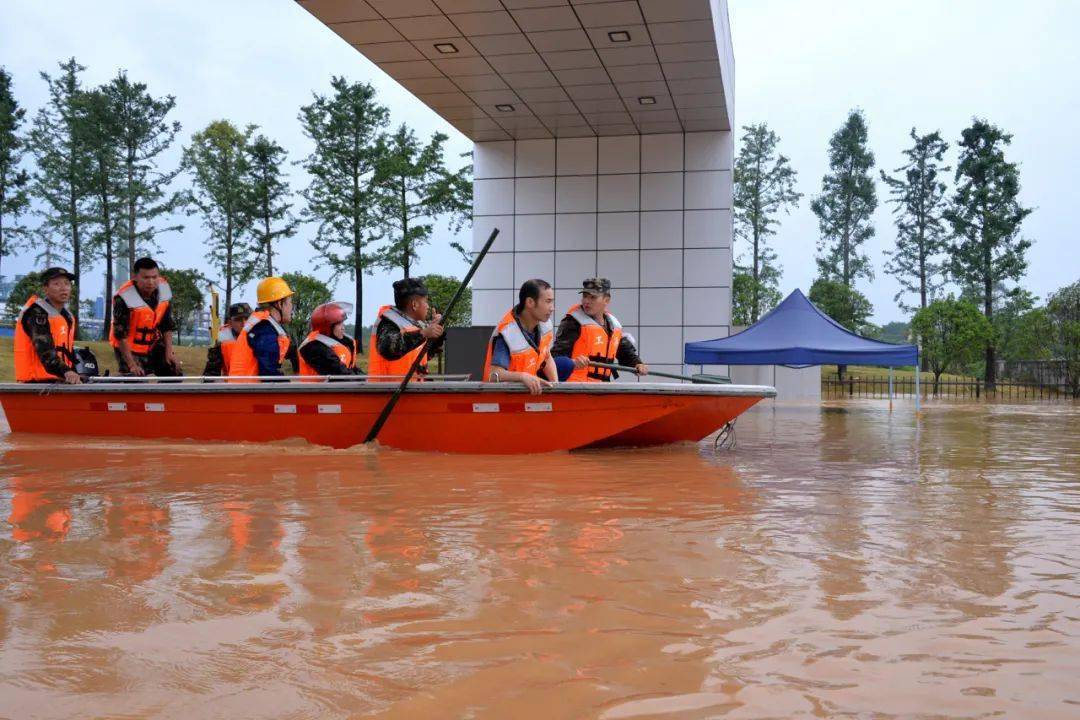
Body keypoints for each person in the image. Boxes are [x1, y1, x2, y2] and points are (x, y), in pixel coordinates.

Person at [552, 277, 649, 382]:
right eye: (585, 296)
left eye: (593, 297)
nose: (586, 301)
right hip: (576, 389)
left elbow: (625, 352)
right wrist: (572, 362)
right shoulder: (573, 323)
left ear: (606, 300)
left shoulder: (614, 325)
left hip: (602, 388)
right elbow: (556, 357)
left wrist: (638, 364)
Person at [482, 278, 558, 395]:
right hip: (503, 401)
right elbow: (494, 375)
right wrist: (522, 377)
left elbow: (547, 357)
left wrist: (556, 387)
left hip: (527, 397)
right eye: (548, 302)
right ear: (530, 302)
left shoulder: (545, 325)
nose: (552, 308)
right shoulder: (507, 332)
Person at [109, 257, 181, 377]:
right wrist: (132, 364)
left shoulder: (164, 290)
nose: (151, 282)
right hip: (129, 347)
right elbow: (120, 335)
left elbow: (167, 325)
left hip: (153, 343)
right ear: (135, 277)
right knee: (135, 378)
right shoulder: (124, 298)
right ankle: (118, 381)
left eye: (154, 277)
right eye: (146, 278)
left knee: (173, 370)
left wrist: (169, 353)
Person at [367, 278, 444, 382]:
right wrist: (424, 333)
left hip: (411, 391)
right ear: (414, 305)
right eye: (425, 301)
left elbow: (424, 355)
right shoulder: (389, 322)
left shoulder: (416, 325)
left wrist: (436, 334)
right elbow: (390, 349)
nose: (428, 306)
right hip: (388, 393)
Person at [13, 267, 80, 384]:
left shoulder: (67, 316)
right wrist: (67, 372)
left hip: (60, 380)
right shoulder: (36, 313)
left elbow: (68, 353)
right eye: (56, 284)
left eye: (67, 283)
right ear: (46, 289)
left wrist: (76, 373)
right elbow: (45, 352)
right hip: (35, 385)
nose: (63, 288)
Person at [228, 277, 298, 380]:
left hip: (245, 391)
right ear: (279, 304)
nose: (291, 307)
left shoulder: (263, 325)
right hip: (247, 393)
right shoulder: (264, 329)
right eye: (290, 302)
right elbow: (269, 374)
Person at [298, 302, 362, 377]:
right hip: (316, 388)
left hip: (332, 388)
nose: (343, 328)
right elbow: (339, 373)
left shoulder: (330, 343)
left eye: (343, 323)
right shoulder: (313, 348)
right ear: (327, 326)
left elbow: (351, 369)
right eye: (339, 324)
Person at [202, 303, 251, 377]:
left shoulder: (260, 337)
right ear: (230, 322)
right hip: (232, 385)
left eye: (247, 318)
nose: (244, 323)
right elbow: (211, 373)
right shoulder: (221, 340)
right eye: (238, 320)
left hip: (258, 386)